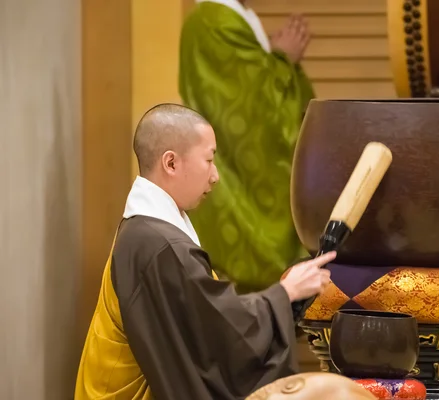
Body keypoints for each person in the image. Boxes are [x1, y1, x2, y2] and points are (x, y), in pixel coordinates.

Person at [74, 103, 335, 400]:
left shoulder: (147, 231)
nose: (215, 176)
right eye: (209, 160)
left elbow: (201, 321)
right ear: (171, 163)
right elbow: (216, 330)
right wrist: (284, 294)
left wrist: (285, 301)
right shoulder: (158, 244)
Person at [178, 0, 315, 292]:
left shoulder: (233, 16)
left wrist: (278, 61)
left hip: (235, 186)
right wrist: (280, 59)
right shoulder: (212, 21)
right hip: (233, 191)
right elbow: (255, 113)